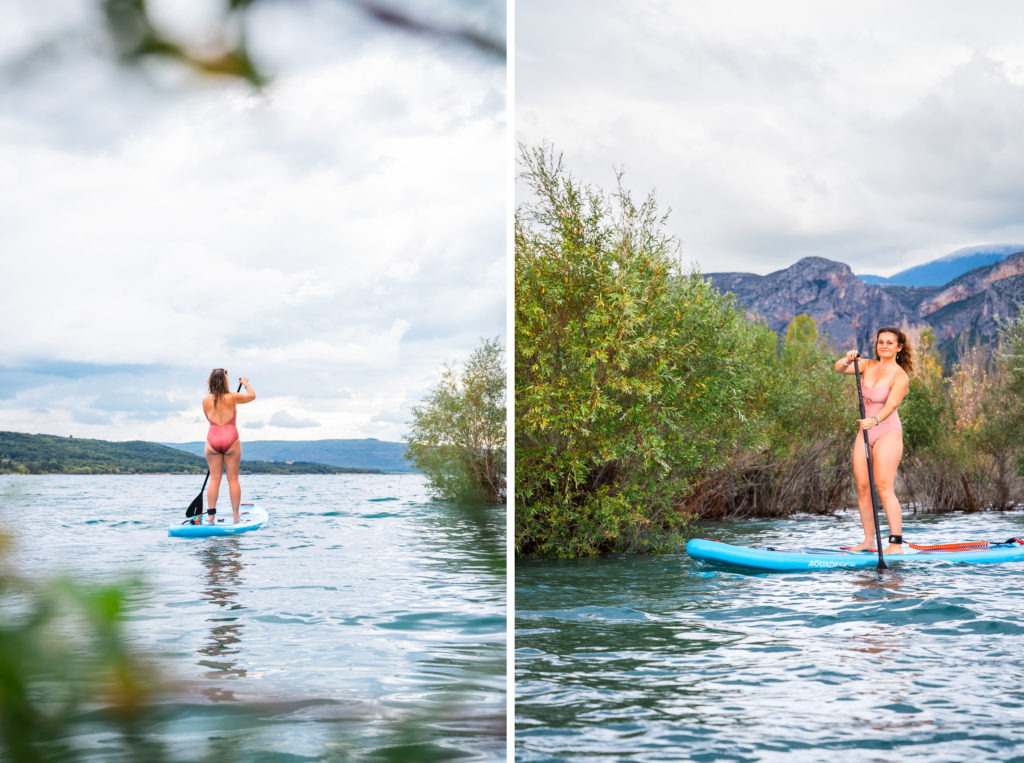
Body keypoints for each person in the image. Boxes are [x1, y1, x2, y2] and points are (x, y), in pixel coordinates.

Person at [834, 328, 913, 554]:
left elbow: (892, 405)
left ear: (899, 348)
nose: (884, 346)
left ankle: (895, 544)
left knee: (883, 487)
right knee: (862, 488)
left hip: (887, 431)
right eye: (880, 342)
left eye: (889, 343)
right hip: (865, 433)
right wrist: (847, 358)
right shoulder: (867, 365)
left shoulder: (900, 376)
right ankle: (869, 540)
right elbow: (839, 368)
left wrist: (875, 420)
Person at [203, 369, 255, 523]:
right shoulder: (232, 397)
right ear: (225, 381)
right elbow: (252, 396)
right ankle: (236, 516)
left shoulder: (205, 400)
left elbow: (208, 418)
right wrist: (245, 384)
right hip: (230, 438)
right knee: (233, 479)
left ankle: (211, 516)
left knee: (214, 479)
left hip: (212, 438)